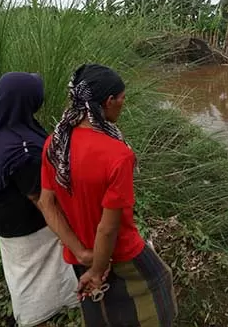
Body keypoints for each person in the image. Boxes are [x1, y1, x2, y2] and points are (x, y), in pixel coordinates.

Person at [39, 64, 177, 327]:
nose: (123, 105)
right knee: (159, 284)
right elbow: (107, 227)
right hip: (120, 251)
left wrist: (81, 254)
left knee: (99, 306)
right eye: (122, 99)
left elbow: (47, 204)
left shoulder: (54, 144)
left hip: (80, 251)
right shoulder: (118, 155)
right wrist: (98, 268)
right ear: (109, 101)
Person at [0, 72, 90, 327]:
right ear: (27, 100)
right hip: (28, 227)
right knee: (34, 281)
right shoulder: (22, 151)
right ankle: (36, 317)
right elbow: (42, 200)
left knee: (24, 274)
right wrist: (74, 240)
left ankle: (40, 311)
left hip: (6, 219)